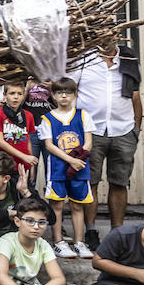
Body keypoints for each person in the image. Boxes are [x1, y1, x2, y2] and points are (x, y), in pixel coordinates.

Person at [71, 43, 143, 229]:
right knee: (90, 182)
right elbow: (71, 92)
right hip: (90, 131)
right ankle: (91, 230)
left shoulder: (128, 59)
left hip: (123, 129)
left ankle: (116, 231)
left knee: (119, 182)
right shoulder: (83, 59)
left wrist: (136, 128)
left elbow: (135, 95)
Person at [38, 77, 95, 259]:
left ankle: (79, 242)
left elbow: (88, 143)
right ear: (53, 95)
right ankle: (59, 242)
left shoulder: (83, 115)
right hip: (57, 169)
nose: (64, 96)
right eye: (59, 92)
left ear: (75, 95)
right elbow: (49, 145)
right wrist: (70, 160)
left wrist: (77, 160)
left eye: (68, 92)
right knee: (57, 206)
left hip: (80, 168)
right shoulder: (47, 118)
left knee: (78, 206)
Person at [0, 79, 38, 195]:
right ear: (4, 96)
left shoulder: (28, 116)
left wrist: (31, 165)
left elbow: (28, 141)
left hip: (23, 165)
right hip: (4, 164)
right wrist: (24, 157)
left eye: (19, 94)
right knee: (6, 195)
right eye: (12, 93)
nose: (16, 97)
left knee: (24, 196)